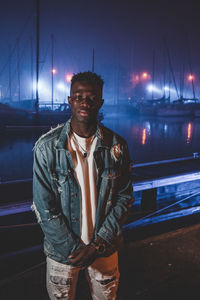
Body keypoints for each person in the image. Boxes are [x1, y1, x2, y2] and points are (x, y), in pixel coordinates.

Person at [32, 71, 133, 300]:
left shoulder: (117, 146)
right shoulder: (47, 148)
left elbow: (124, 197)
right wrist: (73, 250)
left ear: (101, 102)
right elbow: (44, 205)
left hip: (104, 248)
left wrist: (97, 245)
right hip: (63, 253)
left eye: (91, 97)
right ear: (69, 101)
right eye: (78, 96)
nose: (84, 102)